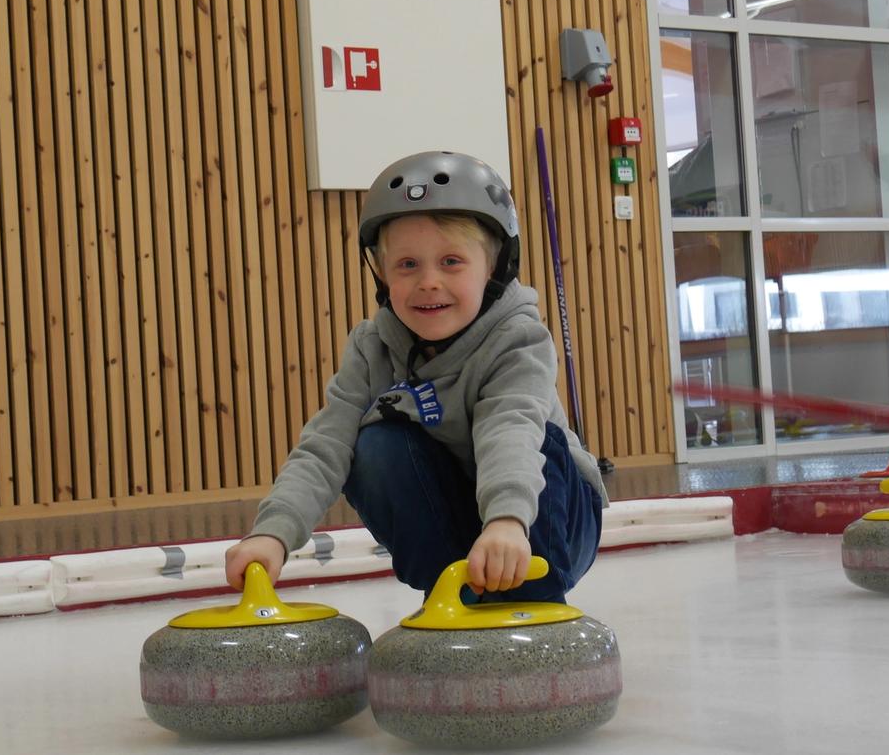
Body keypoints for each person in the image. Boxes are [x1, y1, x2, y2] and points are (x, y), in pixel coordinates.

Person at [224, 151, 608, 603]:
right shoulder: (373, 347)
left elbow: (511, 430)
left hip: (548, 516)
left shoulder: (518, 339)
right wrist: (273, 532)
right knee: (373, 445)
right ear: (382, 275)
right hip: (465, 516)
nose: (428, 281)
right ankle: (452, 595)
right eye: (408, 265)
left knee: (538, 438)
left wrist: (507, 520)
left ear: (495, 268)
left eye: (451, 262)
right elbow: (326, 444)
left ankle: (532, 600)